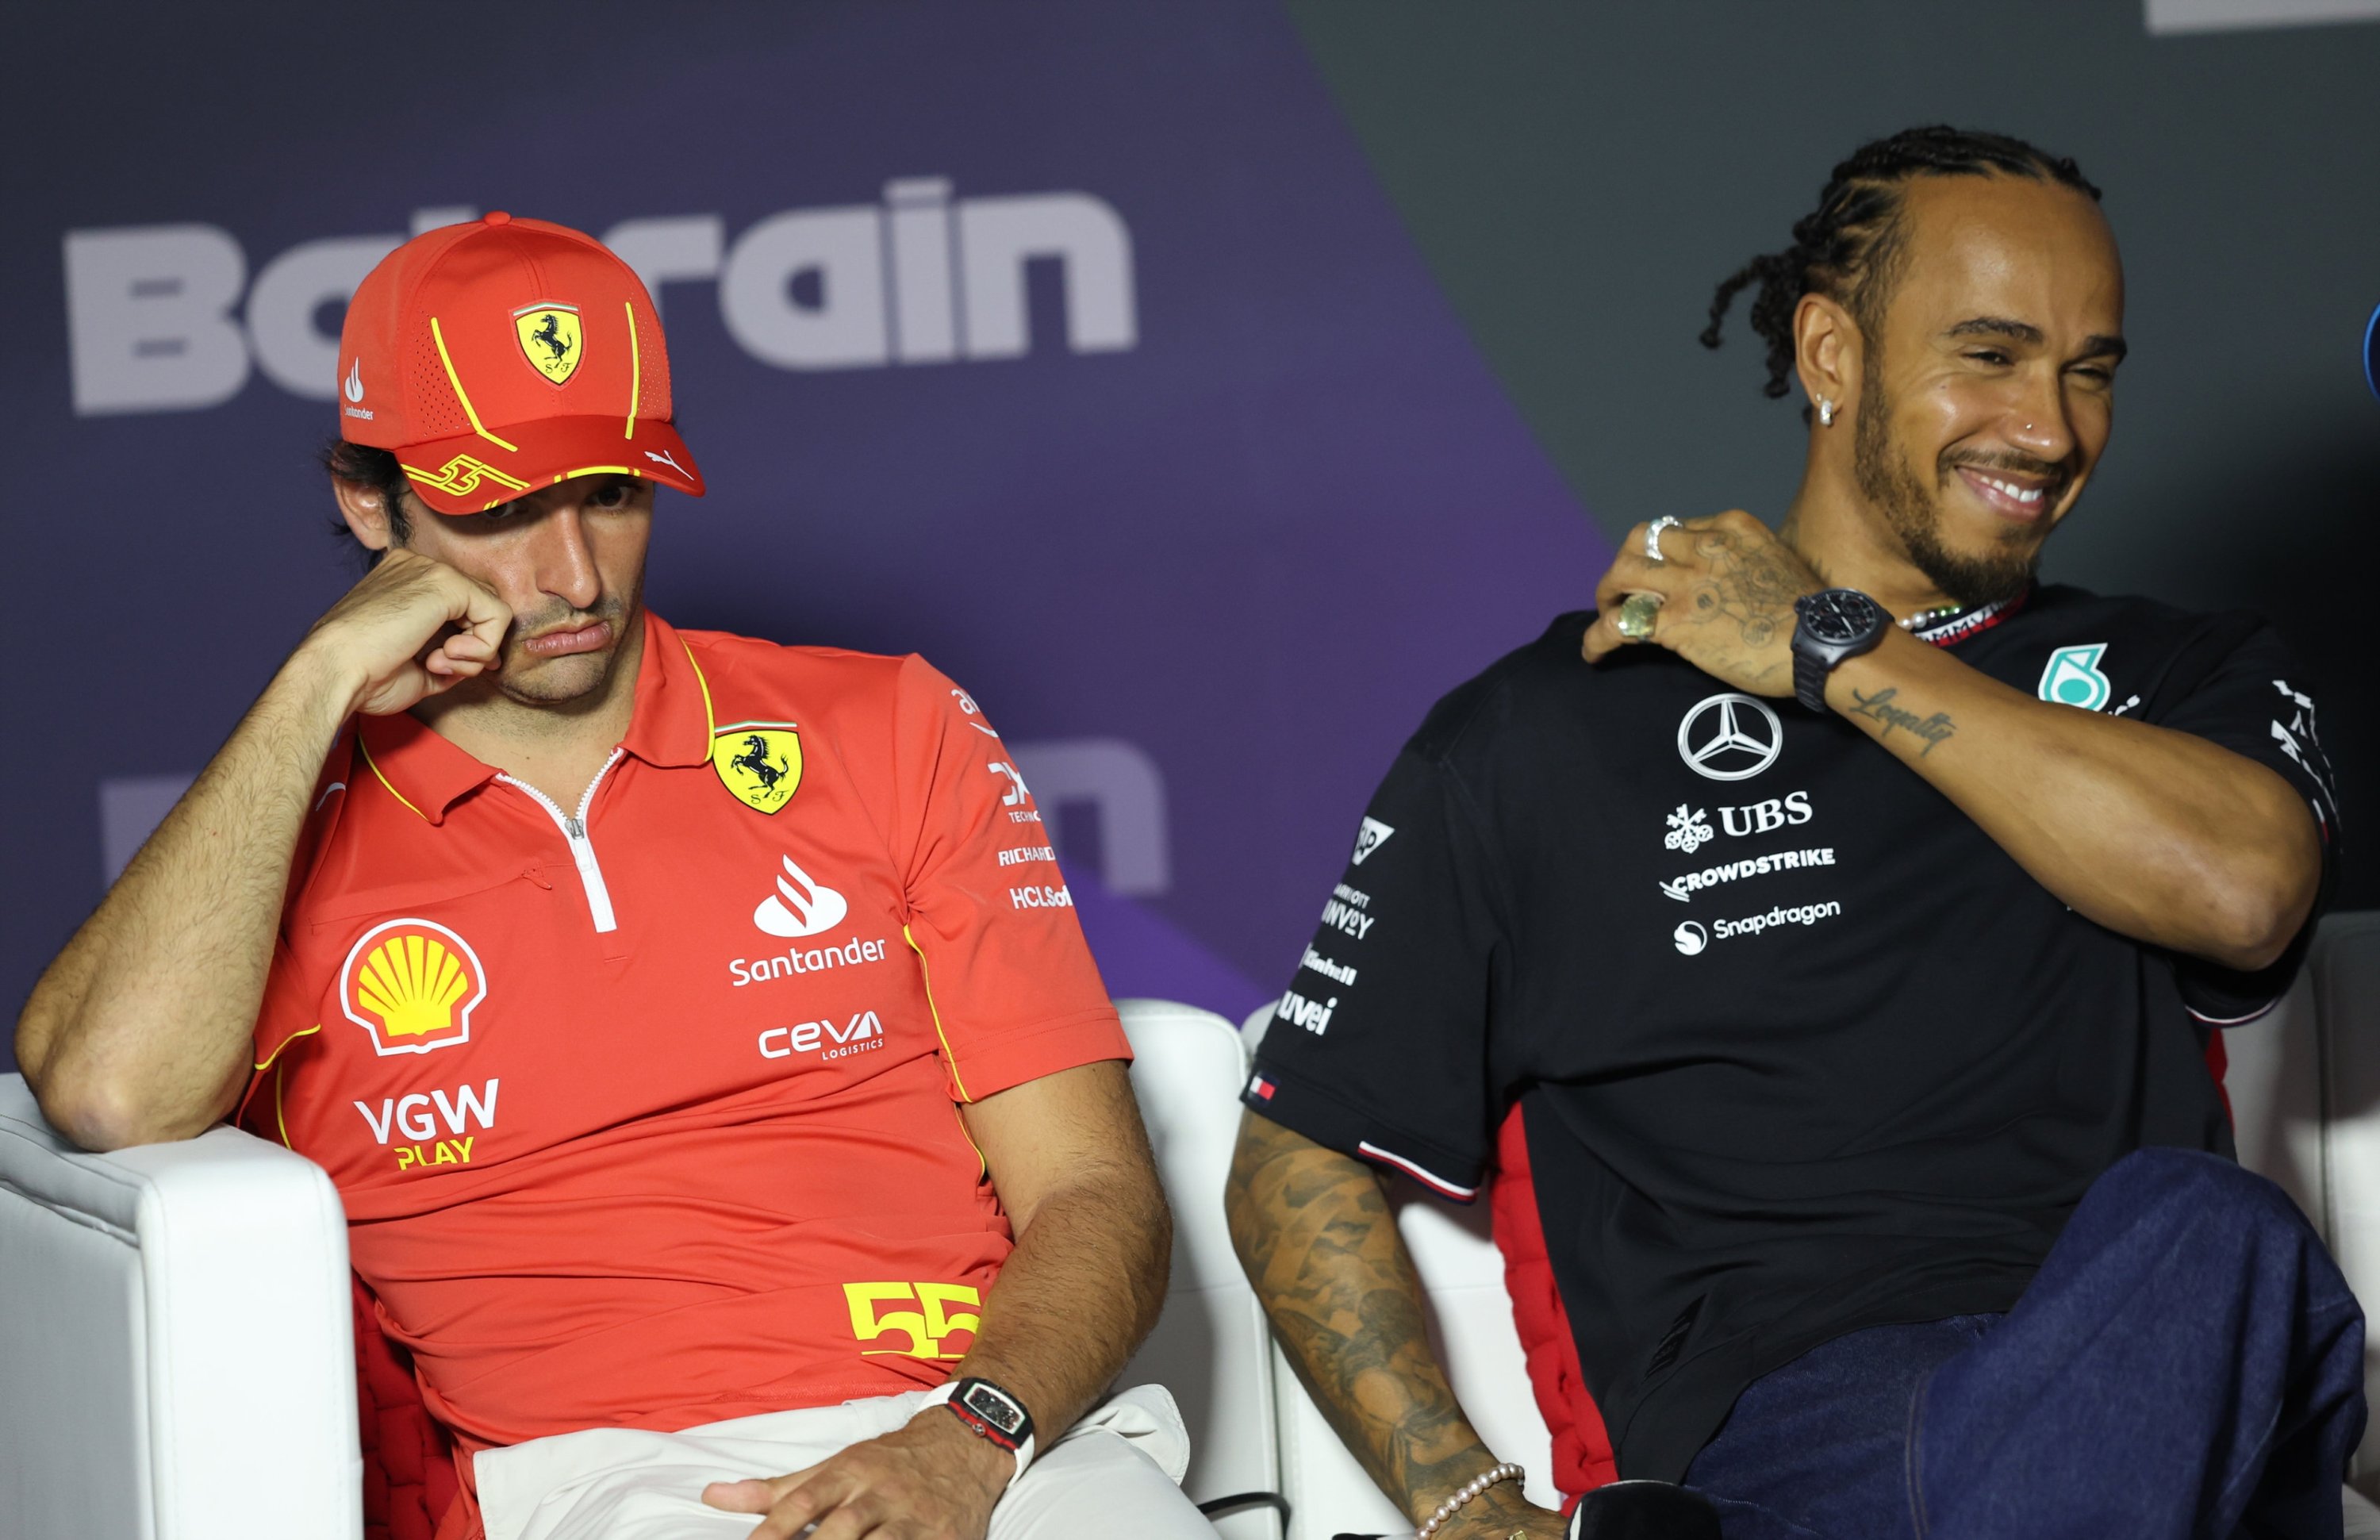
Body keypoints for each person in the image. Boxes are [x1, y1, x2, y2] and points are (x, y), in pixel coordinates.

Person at [1223, 126, 2359, 1540]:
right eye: (1991, 356)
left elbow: (2243, 891)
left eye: (2090, 371)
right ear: (1831, 355)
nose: (2052, 429)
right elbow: (1296, 1154)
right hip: (1806, 1437)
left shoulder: (2183, 677)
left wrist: (1835, 649)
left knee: (2215, 1240)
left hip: (2157, 1371)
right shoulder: (1542, 734)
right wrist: (1465, 1506)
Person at [14, 213, 1208, 1540]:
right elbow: (104, 1089)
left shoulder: (893, 726)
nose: (572, 575)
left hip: (993, 1434)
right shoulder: (285, 840)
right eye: (504, 510)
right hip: (615, 1480)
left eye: (614, 495)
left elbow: (1098, 1192)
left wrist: (967, 1437)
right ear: (371, 504)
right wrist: (315, 686)